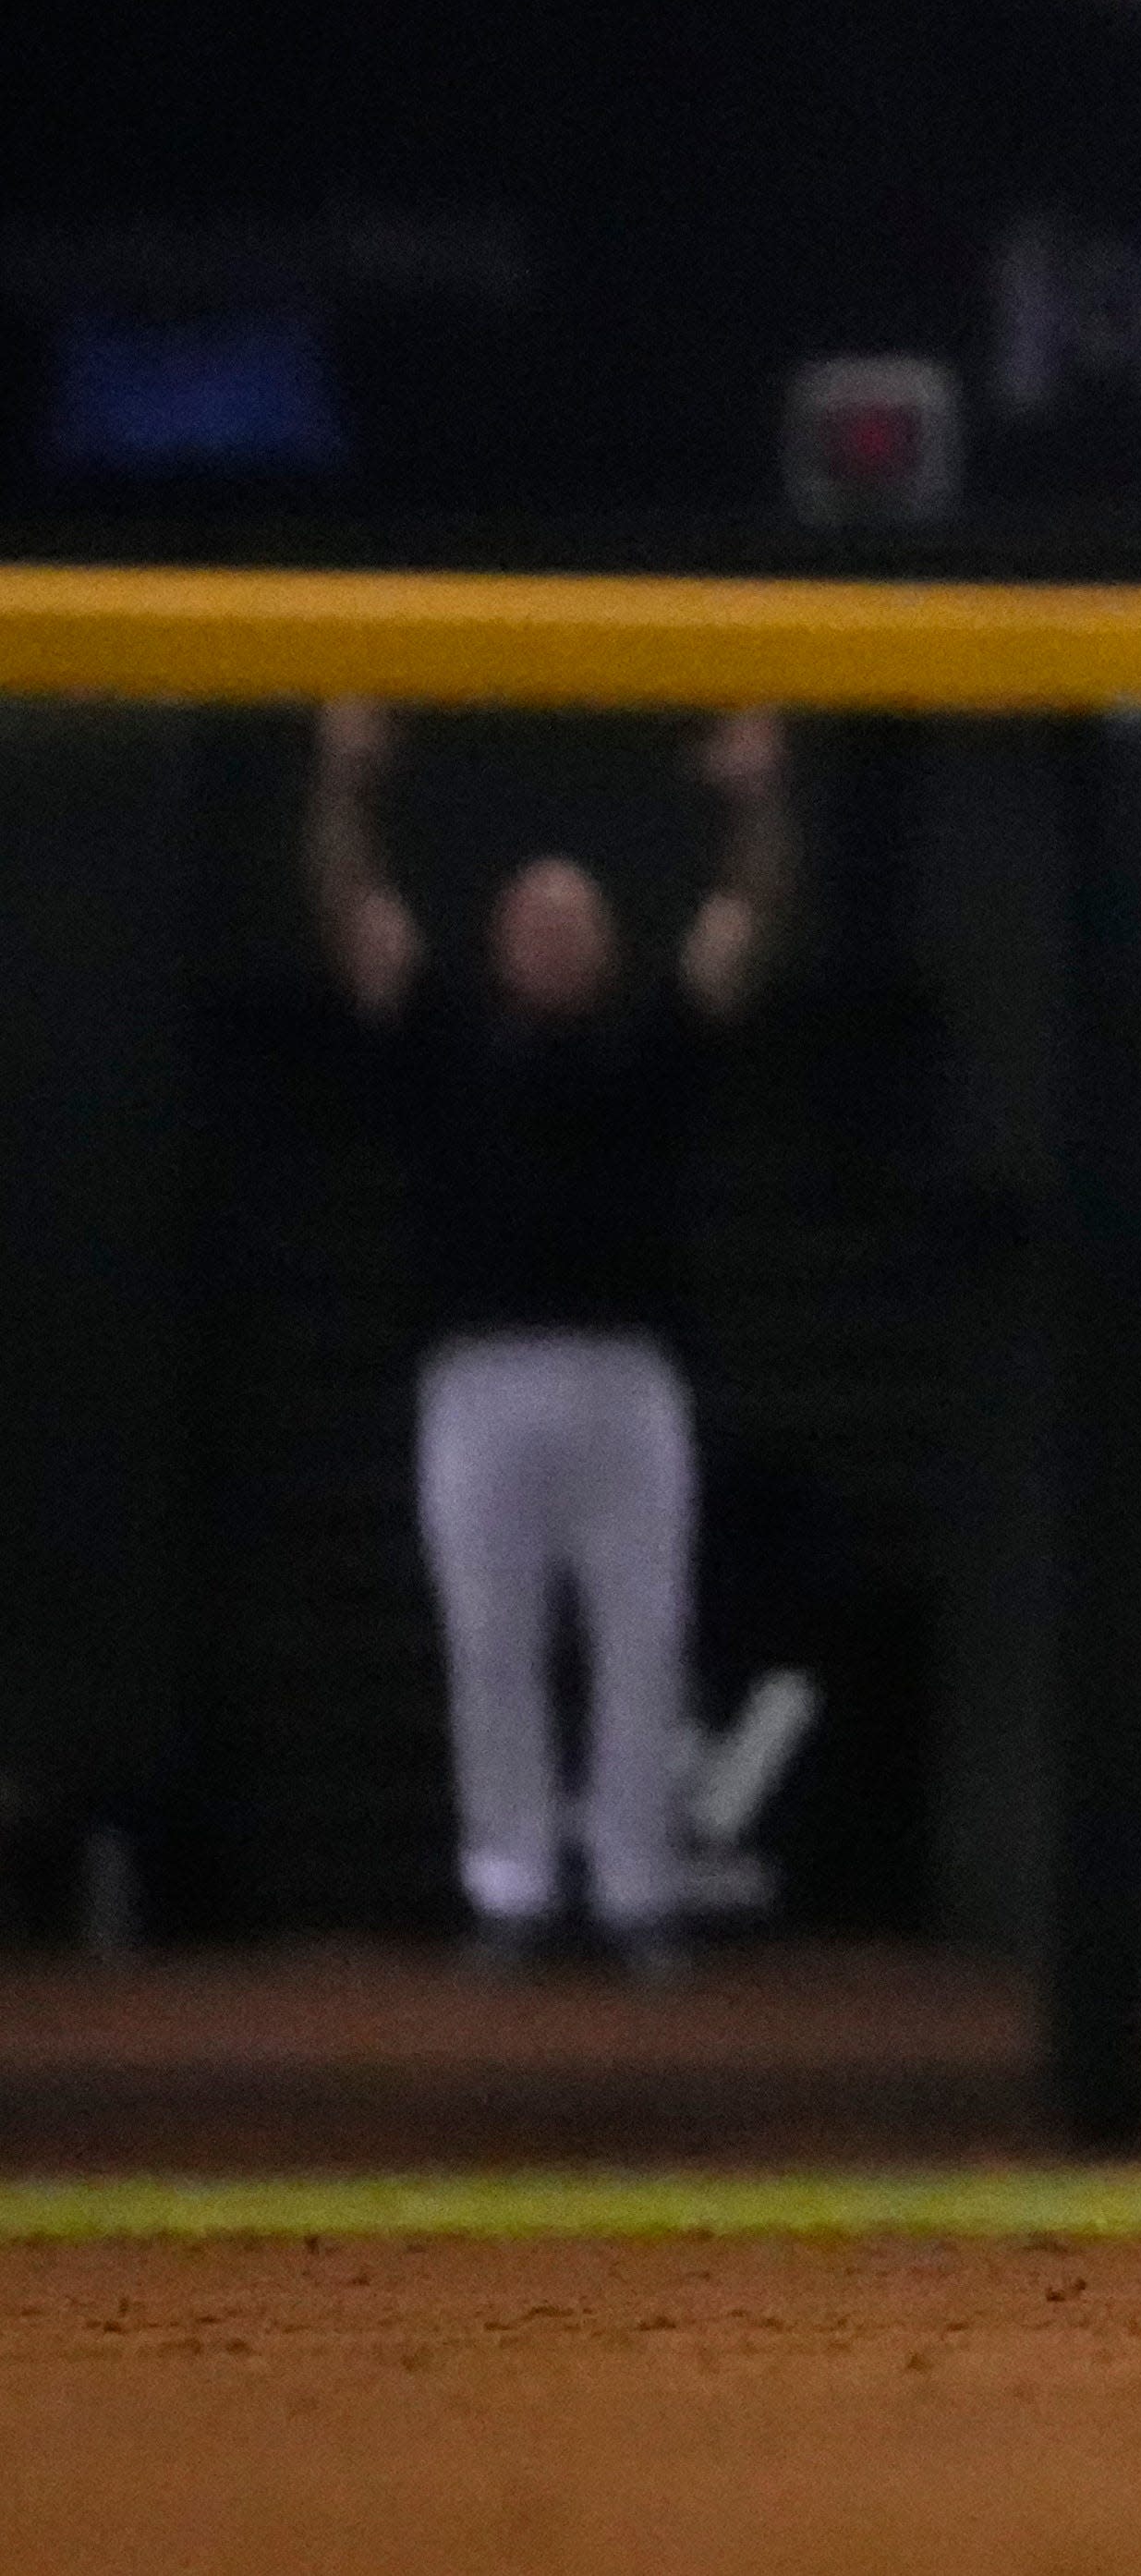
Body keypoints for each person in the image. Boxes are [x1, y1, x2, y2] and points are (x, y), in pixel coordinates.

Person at [303, 697, 793, 1974]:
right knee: (491, 1644)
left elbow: (743, 929)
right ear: (501, 942)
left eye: (576, 919)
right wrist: (344, 783)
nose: (555, 935)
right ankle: (511, 1886)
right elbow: (356, 921)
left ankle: (637, 1892)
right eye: (534, 918)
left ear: (610, 946)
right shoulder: (445, 1045)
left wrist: (757, 800)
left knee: (645, 1639)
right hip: (479, 1375)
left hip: (627, 1375)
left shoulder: (651, 1052)